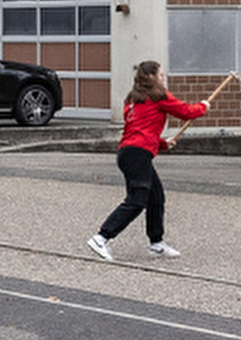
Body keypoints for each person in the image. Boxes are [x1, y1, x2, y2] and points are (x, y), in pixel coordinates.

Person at [86, 60, 209, 262]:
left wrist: (161, 143)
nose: (163, 78)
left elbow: (140, 129)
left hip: (130, 152)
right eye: (161, 75)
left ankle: (156, 243)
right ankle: (101, 237)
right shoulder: (157, 95)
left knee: (156, 198)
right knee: (136, 200)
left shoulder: (133, 99)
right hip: (137, 154)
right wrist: (203, 106)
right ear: (151, 77)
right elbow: (187, 112)